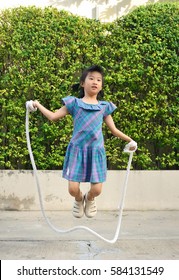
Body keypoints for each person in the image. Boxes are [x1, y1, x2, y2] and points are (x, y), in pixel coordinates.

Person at [32, 65, 137, 219]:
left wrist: (130, 140)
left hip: (96, 152)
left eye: (99, 80)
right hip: (77, 152)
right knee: (73, 189)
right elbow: (53, 117)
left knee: (97, 190)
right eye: (91, 78)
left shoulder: (104, 107)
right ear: (82, 83)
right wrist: (38, 104)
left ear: (101, 86)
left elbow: (114, 130)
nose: (95, 82)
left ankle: (89, 198)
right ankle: (79, 199)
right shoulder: (74, 103)